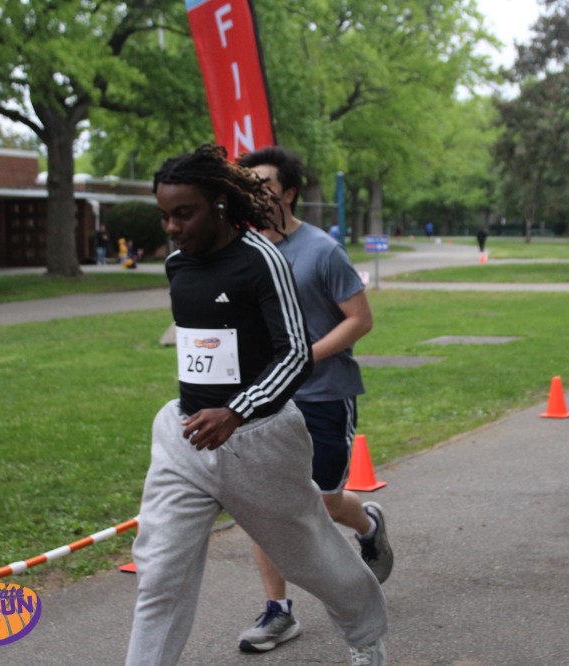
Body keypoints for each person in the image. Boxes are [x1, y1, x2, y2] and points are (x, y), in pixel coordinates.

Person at [125, 145, 388, 666]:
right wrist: (207, 410)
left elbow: (295, 354)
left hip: (259, 439)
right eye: (165, 216)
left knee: (312, 559)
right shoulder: (177, 265)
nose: (172, 228)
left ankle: (366, 638)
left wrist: (237, 410)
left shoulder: (261, 260)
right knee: (159, 576)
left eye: (184, 213)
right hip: (186, 437)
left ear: (219, 204)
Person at [235, 146, 393, 654]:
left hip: (324, 394)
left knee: (322, 502)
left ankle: (367, 524)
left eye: (263, 185)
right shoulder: (242, 251)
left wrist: (303, 359)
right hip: (266, 400)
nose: (254, 194)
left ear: (289, 192)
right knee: (263, 504)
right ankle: (278, 611)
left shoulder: (322, 251)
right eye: (246, 186)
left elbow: (360, 320)